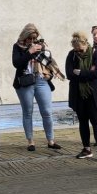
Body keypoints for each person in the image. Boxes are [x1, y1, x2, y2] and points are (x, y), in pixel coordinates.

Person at [12, 23, 64, 152]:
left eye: (34, 38)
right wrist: (29, 53)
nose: (32, 40)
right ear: (24, 37)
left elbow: (48, 63)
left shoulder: (41, 46)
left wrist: (49, 73)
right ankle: (30, 141)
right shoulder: (17, 47)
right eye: (29, 38)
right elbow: (17, 63)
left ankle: (51, 141)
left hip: (41, 80)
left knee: (47, 111)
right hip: (25, 82)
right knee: (28, 112)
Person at [66, 31, 97, 161]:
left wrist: (80, 73)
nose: (78, 52)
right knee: (83, 122)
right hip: (79, 94)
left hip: (94, 94)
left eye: (80, 49)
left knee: (96, 121)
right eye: (76, 49)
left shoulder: (95, 53)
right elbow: (69, 74)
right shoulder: (72, 55)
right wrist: (88, 72)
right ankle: (86, 149)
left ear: (85, 44)